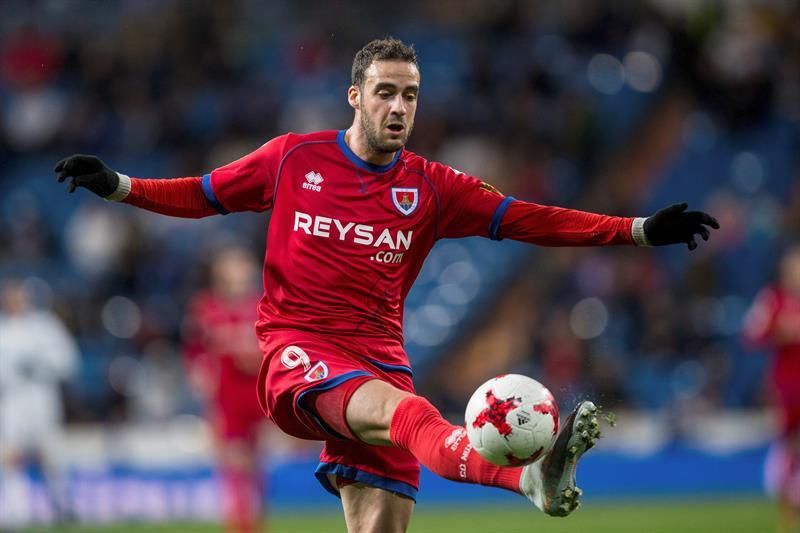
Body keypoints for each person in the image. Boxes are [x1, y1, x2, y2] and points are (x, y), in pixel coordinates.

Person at [55, 37, 719, 533]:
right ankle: (525, 476)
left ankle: (526, 478)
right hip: (299, 353)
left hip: (380, 359)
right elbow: (203, 194)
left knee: (378, 526)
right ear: (355, 96)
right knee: (412, 415)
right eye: (385, 92)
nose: (399, 107)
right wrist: (118, 185)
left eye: (410, 95)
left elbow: (529, 219)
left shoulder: (433, 185)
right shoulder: (293, 157)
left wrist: (635, 229)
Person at [183, 247, 267, 533]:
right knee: (234, 460)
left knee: (254, 462)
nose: (239, 272)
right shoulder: (207, 306)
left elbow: (270, 347)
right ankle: (240, 522)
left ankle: (252, 519)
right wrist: (199, 369)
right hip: (227, 393)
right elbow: (195, 347)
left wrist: (248, 352)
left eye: (242, 266)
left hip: (256, 391)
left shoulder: (262, 304)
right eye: (233, 266)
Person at [0, 280, 79, 529]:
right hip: (12, 404)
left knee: (52, 457)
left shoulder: (45, 327)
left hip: (42, 401)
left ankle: (63, 509)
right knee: (11, 459)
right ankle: (18, 514)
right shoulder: (2, 332)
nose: (13, 302)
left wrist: (40, 366)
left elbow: (67, 361)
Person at [743, 245, 800, 533]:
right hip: (788, 387)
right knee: (787, 448)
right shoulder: (773, 299)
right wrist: (781, 330)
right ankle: (786, 516)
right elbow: (751, 333)